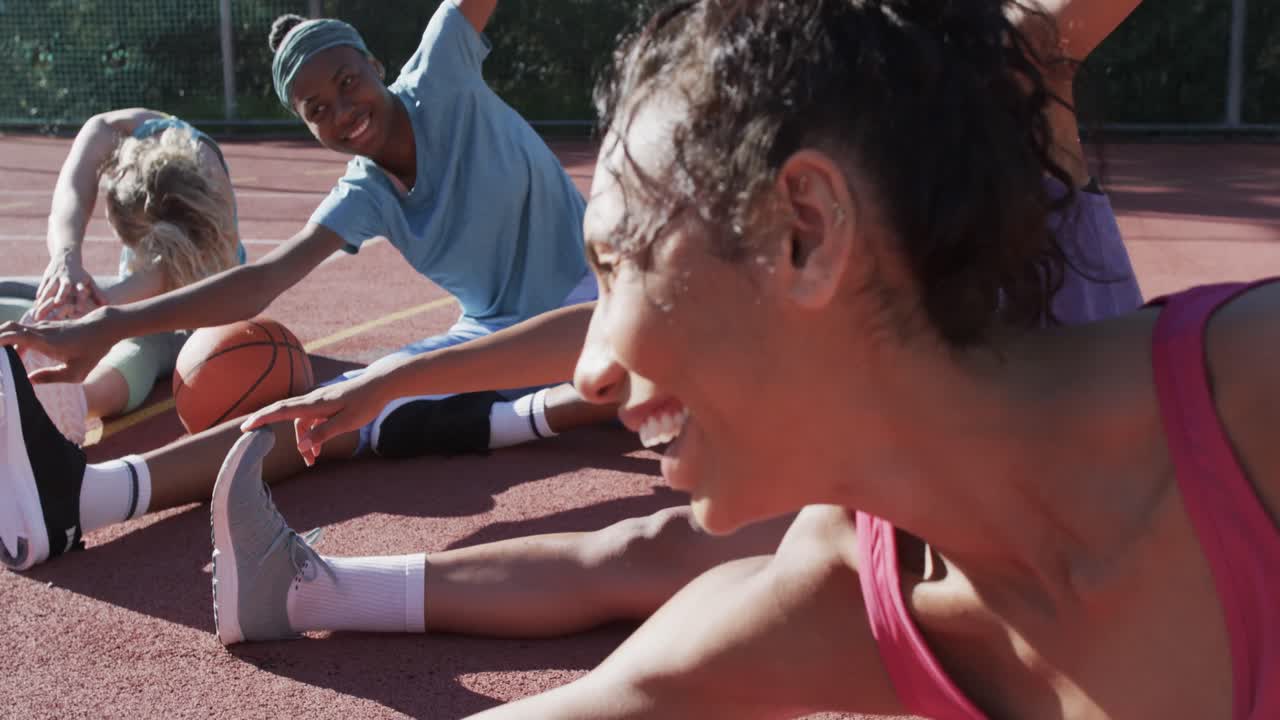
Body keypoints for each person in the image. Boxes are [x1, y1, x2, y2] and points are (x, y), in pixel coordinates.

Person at [201, 0, 1163, 679]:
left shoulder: (1002, 88)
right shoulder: (803, 194)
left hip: (1081, 527)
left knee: (670, 604)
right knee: (658, 575)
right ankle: (312, 593)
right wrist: (381, 387)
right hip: (943, 529)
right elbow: (603, 328)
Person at [460, 0, 1278, 717]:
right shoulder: (850, 596)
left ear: (805, 233)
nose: (588, 372)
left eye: (617, 264)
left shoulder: (1255, 397)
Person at [0, 0, 614, 571]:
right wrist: (113, 324)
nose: (341, 111)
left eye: (348, 82)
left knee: (665, 356)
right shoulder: (366, 192)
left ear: (375, 65)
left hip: (602, 297)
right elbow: (263, 280)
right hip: (498, 336)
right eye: (316, 109)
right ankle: (86, 497)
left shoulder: (441, 68)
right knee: (326, 410)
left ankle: (533, 412)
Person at [0, 108, 244, 444]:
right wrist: (64, 258)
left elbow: (159, 282)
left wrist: (87, 311)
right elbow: (73, 186)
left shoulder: (206, 207)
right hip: (141, 281)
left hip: (191, 308)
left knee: (140, 342)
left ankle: (73, 401)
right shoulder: (124, 128)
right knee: (31, 292)